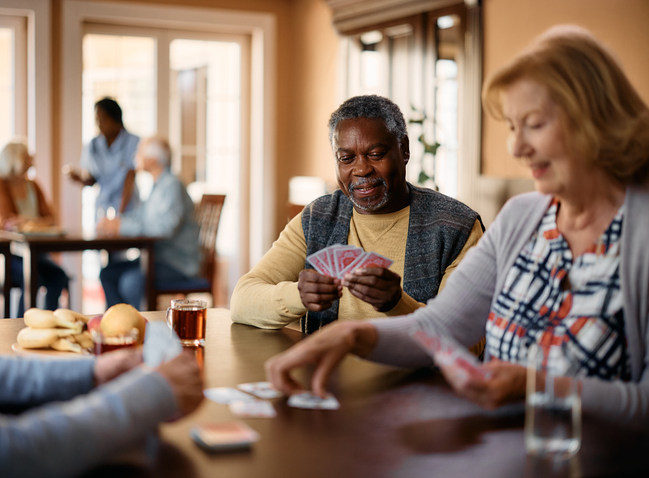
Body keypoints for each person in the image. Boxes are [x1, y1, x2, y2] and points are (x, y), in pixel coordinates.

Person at [265, 26, 649, 425]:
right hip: (503, 447)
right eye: (513, 128)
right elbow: (441, 327)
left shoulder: (641, 235)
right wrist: (351, 335)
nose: (516, 148)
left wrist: (538, 386)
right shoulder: (523, 218)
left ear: (595, 120)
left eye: (534, 124)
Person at [0, 18, 203, 476]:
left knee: (112, 274)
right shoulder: (93, 151)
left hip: (161, 259)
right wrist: (152, 392)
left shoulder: (148, 170)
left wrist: (92, 372)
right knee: (113, 274)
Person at [231, 95, 484, 334]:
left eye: (375, 154)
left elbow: (467, 336)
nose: (361, 169)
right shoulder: (317, 218)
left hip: (412, 377)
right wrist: (298, 295)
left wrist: (398, 304)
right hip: (327, 373)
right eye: (346, 158)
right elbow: (242, 300)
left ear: (404, 150)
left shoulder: (457, 227)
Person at [98, 137, 201, 309]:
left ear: (153, 159)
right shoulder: (157, 186)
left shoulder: (171, 186)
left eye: (140, 152)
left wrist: (121, 227)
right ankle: (118, 328)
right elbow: (142, 218)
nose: (136, 156)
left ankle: (139, 328)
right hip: (156, 259)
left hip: (177, 264)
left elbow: (164, 229)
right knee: (108, 273)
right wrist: (117, 222)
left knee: (130, 281)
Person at [0, 140, 70, 318]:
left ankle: (48, 322)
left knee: (59, 276)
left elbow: (52, 219)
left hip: (33, 253)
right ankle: (19, 326)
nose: (32, 159)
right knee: (33, 277)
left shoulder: (33, 185)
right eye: (27, 156)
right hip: (5, 256)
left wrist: (27, 220)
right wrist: (37, 222)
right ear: (14, 159)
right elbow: (7, 223)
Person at [65, 97, 139, 219]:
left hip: (128, 207)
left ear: (116, 119)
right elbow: (93, 180)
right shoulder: (92, 146)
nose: (99, 125)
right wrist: (78, 178)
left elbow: (129, 178)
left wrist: (120, 215)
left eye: (103, 120)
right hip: (103, 207)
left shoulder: (133, 142)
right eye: (97, 120)